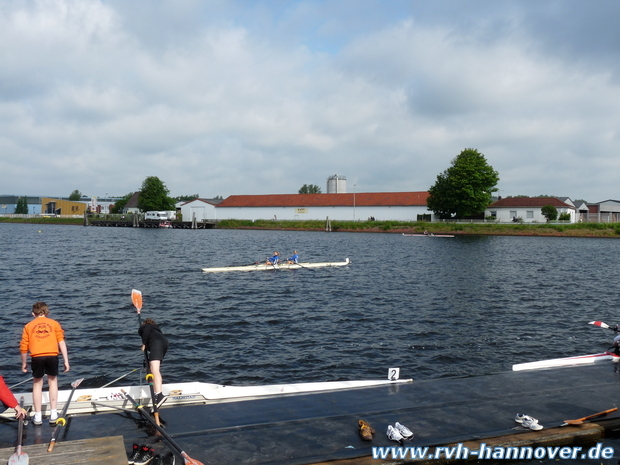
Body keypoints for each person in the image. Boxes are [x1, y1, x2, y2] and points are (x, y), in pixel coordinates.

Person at [20, 301, 70, 426]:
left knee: (37, 385)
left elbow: (23, 346)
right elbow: (61, 342)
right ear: (47, 312)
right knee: (53, 382)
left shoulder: (28, 326)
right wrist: (66, 360)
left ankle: (38, 416)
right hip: (52, 355)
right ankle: (53, 413)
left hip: (37, 357)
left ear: (33, 314)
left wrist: (24, 363)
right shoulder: (54, 324)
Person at [139, 318, 169, 407]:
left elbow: (146, 330)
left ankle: (159, 394)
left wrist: (144, 343)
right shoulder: (156, 330)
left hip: (157, 344)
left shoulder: (146, 327)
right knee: (153, 368)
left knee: (155, 370)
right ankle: (157, 393)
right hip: (164, 343)